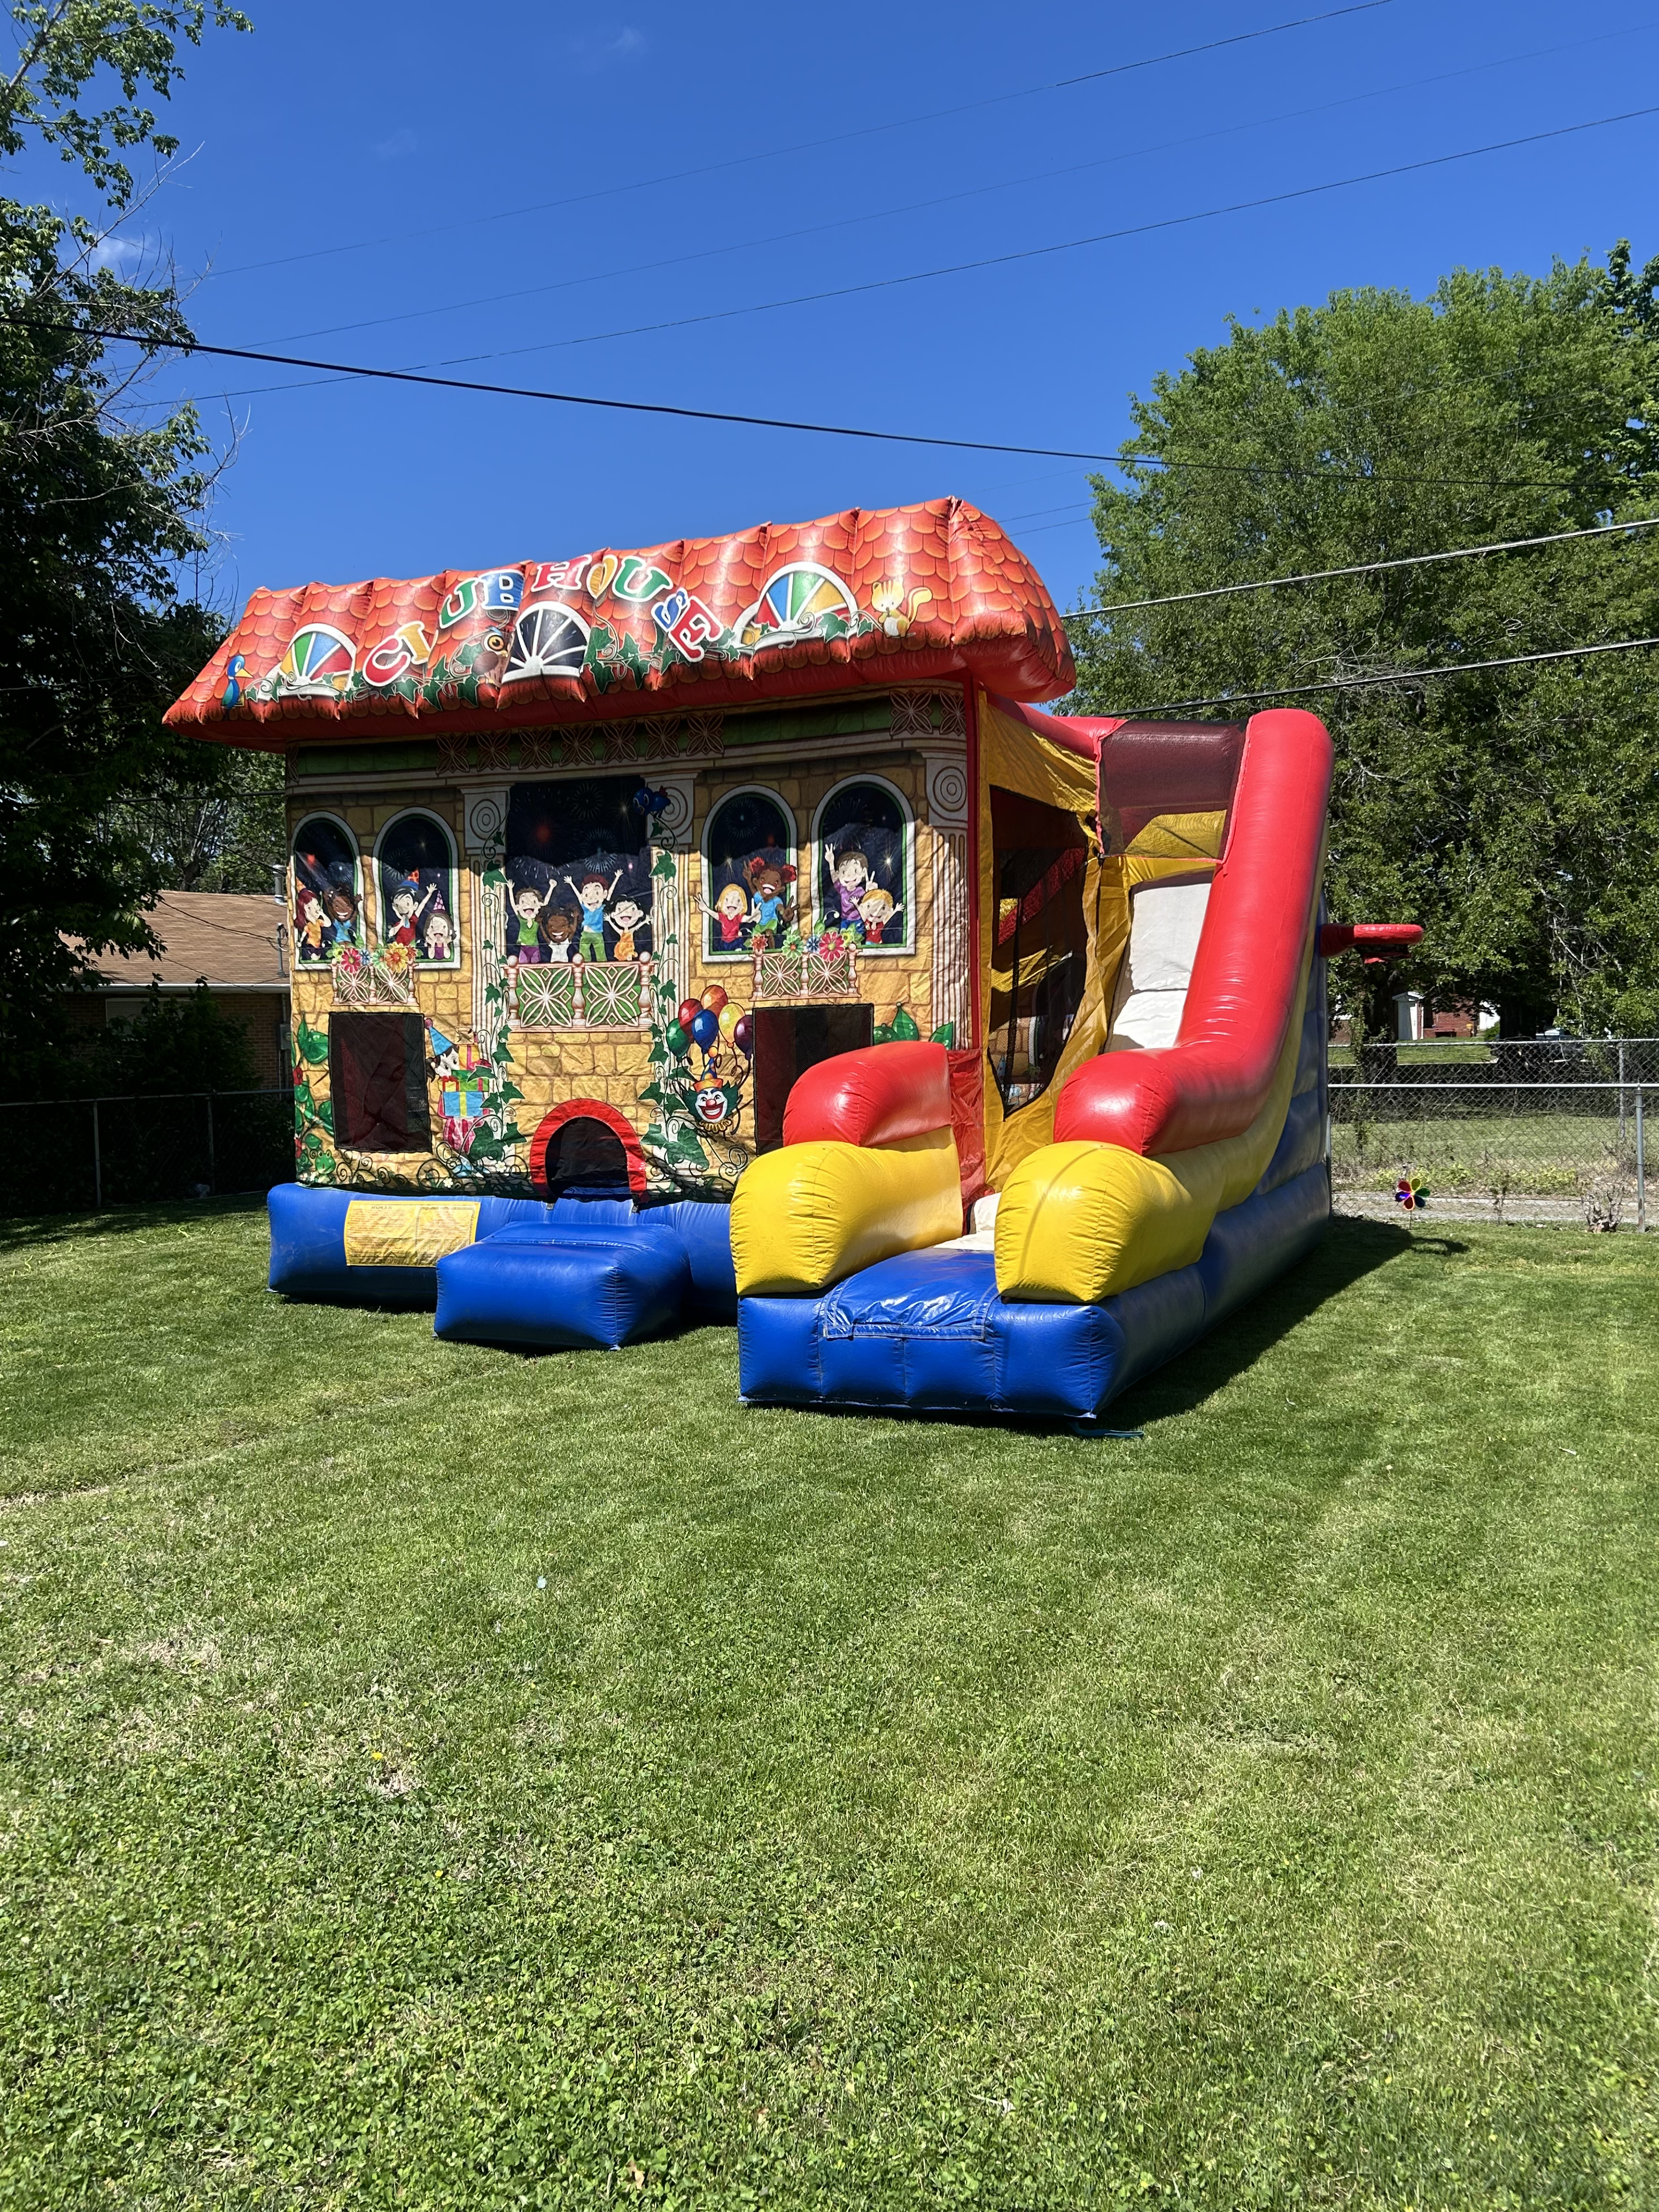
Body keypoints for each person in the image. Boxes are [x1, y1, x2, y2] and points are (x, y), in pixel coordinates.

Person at [565, 866, 624, 962]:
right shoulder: (585, 907)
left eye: (597, 893)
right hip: (586, 934)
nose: (592, 898)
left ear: (604, 894)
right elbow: (578, 896)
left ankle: (602, 971)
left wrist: (617, 878)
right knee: (584, 955)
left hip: (598, 934)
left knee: (601, 955)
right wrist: (571, 883)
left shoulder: (601, 907)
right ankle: (585, 971)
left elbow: (610, 894)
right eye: (587, 895)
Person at [506, 879, 555, 963]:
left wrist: (552, 887)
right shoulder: (521, 918)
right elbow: (513, 905)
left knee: (535, 966)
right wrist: (510, 889)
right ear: (519, 907)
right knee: (523, 966)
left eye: (533, 901)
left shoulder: (537, 919)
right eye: (523, 902)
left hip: (535, 947)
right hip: (523, 948)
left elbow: (545, 903)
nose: (528, 904)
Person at [606, 893, 650, 963]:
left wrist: (645, 922)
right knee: (627, 956)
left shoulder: (631, 931)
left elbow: (637, 926)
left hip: (629, 947)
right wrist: (609, 920)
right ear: (614, 915)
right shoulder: (622, 932)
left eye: (632, 909)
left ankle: (630, 964)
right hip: (622, 948)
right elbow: (615, 928)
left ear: (639, 914)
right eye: (620, 909)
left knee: (630, 956)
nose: (626, 911)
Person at [294, 883, 328, 961]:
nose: (315, 910)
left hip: (318, 943)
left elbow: (328, 924)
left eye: (317, 905)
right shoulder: (309, 925)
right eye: (309, 908)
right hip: (312, 943)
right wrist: (300, 942)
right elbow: (304, 934)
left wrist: (322, 914)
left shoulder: (318, 922)